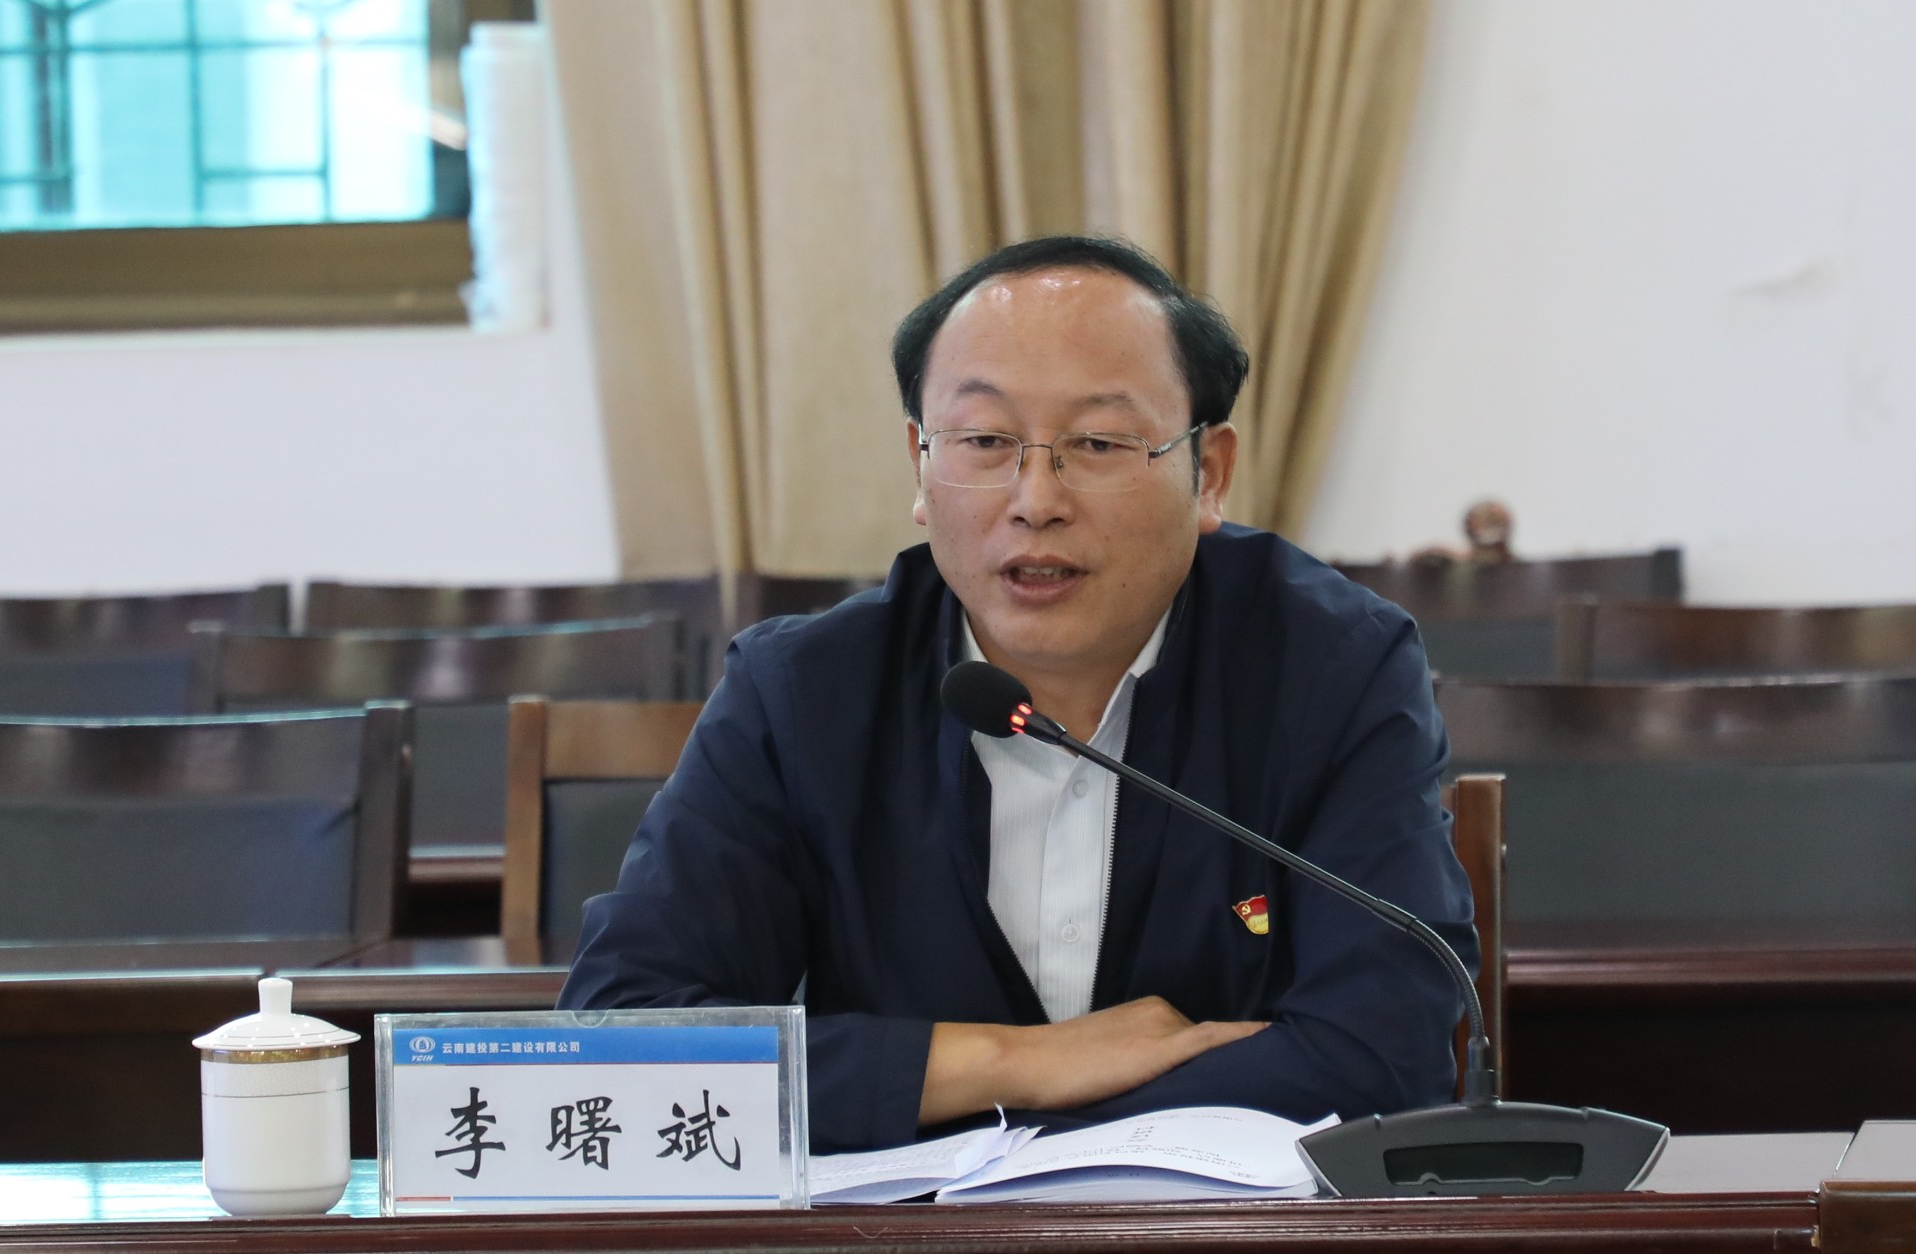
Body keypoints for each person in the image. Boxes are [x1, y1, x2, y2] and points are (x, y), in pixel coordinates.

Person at [561, 235, 1477, 1153]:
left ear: (1211, 473)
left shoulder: (1332, 669)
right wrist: (1015, 1062)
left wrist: (929, 1105)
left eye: (1099, 442)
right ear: (921, 465)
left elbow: (1387, 1058)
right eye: (986, 441)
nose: (1036, 499)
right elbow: (623, 1047)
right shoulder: (804, 693)